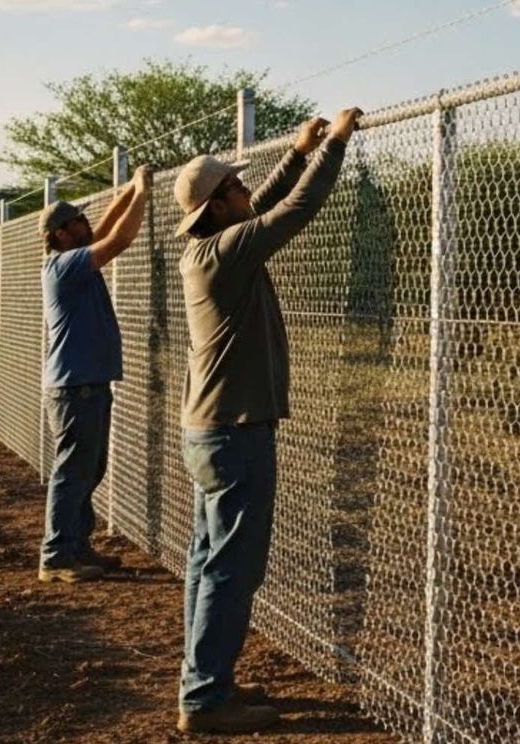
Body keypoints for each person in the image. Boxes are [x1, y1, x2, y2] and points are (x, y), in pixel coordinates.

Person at [171, 107, 360, 735]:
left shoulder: (210, 248)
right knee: (232, 566)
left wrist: (298, 153)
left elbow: (258, 209)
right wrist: (334, 145)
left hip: (211, 430)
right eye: (236, 185)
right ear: (218, 205)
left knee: (208, 560)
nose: (246, 190)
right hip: (235, 432)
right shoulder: (226, 252)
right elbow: (290, 214)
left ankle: (205, 681)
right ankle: (205, 699)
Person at [39, 166, 150, 583]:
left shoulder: (72, 259)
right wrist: (140, 191)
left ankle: (76, 547)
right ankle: (57, 555)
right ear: (62, 233)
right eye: (79, 221)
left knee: (89, 468)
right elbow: (118, 239)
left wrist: (124, 194)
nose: (88, 224)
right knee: (73, 471)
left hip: (86, 385)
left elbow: (103, 229)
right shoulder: (64, 266)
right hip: (75, 387)